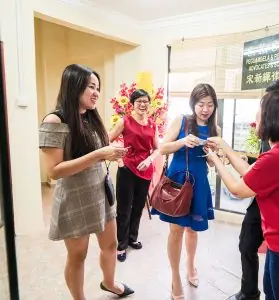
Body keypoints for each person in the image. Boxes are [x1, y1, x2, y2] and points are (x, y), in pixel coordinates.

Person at [206, 89, 279, 300]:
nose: (255, 118)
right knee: (272, 293)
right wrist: (224, 146)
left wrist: (215, 159)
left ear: (271, 118)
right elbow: (250, 172)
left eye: (259, 112)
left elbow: (237, 189)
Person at [39, 64, 134, 300]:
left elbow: (98, 149)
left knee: (110, 245)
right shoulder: (55, 120)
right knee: (78, 255)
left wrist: (111, 151)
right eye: (91, 86)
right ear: (74, 85)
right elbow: (54, 171)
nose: (96, 92)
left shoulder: (90, 116)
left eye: (98, 87)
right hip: (74, 197)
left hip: (100, 192)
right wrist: (100, 154)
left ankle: (109, 283)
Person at [151, 83, 218, 300]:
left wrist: (212, 155)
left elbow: (211, 163)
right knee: (176, 231)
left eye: (210, 104)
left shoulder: (216, 130)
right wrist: (182, 141)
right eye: (201, 104)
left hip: (199, 183)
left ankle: (190, 267)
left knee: (192, 230)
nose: (205, 109)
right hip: (178, 181)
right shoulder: (182, 120)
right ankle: (175, 277)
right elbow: (162, 147)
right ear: (193, 104)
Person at [108, 89, 159, 262]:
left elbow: (157, 148)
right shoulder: (125, 121)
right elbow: (107, 138)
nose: (143, 105)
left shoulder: (153, 124)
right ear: (132, 104)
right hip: (127, 169)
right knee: (124, 208)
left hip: (145, 170)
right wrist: (118, 159)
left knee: (138, 207)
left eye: (146, 101)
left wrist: (150, 159)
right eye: (139, 101)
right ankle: (121, 245)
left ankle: (132, 238)